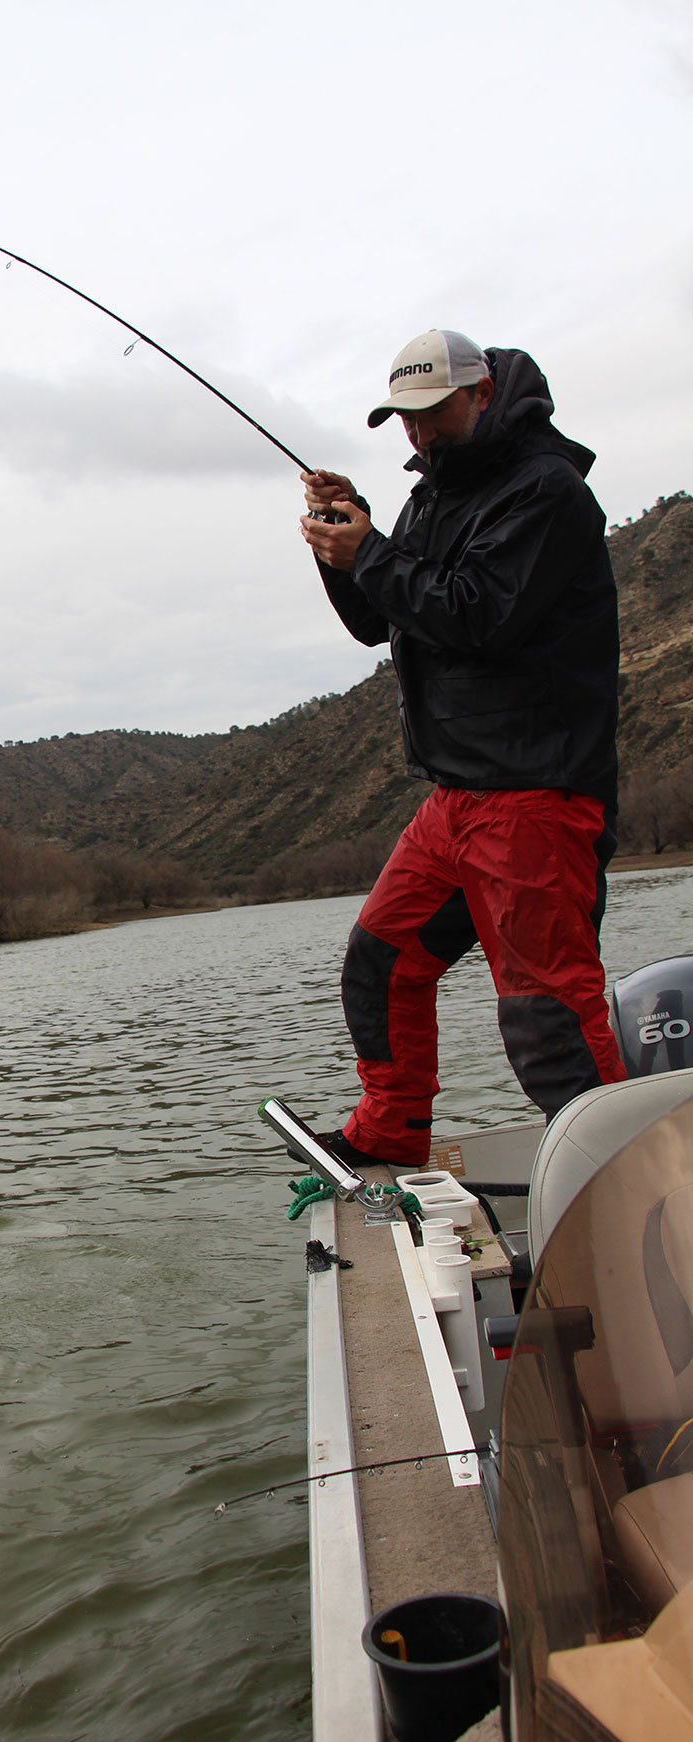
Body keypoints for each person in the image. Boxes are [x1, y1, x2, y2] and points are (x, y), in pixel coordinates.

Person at [299, 327, 627, 1168]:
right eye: (405, 420)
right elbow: (382, 617)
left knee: (549, 1021)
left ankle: (636, 1187)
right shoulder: (435, 496)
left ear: (482, 395)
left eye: (433, 413)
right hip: (456, 800)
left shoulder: (547, 492)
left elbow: (478, 614)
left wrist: (370, 551)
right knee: (379, 963)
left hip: (535, 796)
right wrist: (348, 546)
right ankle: (390, 1131)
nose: (418, 434)